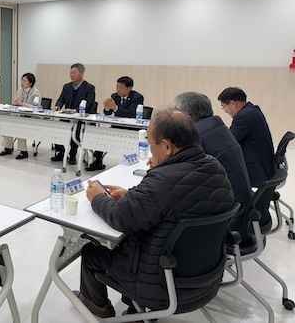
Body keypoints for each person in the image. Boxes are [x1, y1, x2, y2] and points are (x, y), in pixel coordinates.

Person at [75, 109, 234, 317]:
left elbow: (120, 218)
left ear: (166, 146)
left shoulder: (163, 180)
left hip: (161, 285)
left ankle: (98, 305)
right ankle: (135, 314)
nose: (150, 152)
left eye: (151, 145)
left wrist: (97, 197)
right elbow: (170, 203)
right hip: (207, 278)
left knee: (92, 252)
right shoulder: (215, 166)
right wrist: (131, 195)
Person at [175, 91, 252, 242]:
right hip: (240, 204)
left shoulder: (196, 135)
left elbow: (181, 173)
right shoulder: (217, 125)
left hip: (227, 216)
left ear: (189, 116)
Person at [218, 87, 274, 187]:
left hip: (256, 169)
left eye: (224, 106)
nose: (225, 111)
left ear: (233, 104)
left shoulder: (243, 116)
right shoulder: (253, 110)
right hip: (263, 163)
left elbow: (229, 141)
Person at [52, 63, 95, 165]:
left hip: (81, 118)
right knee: (56, 128)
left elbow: (89, 104)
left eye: (74, 73)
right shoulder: (67, 87)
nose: (71, 75)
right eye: (70, 73)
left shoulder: (89, 88)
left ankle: (72, 155)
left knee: (75, 131)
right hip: (67, 116)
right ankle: (61, 152)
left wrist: (75, 110)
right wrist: (58, 106)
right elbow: (61, 99)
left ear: (81, 73)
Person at [0, 73, 40, 160]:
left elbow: (36, 107)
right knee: (10, 123)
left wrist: (22, 104)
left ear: (30, 83)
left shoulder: (36, 93)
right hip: (21, 116)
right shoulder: (19, 91)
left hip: (32, 118)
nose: (22, 82)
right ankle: (8, 148)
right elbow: (18, 104)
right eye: (21, 80)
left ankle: (23, 151)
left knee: (21, 125)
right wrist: (15, 104)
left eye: (24, 81)